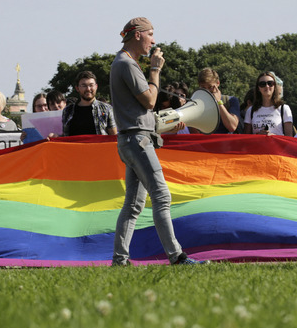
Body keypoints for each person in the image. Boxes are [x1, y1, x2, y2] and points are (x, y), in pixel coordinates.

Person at [110, 16, 203, 266]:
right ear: (138, 34)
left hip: (131, 140)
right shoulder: (128, 65)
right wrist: (155, 70)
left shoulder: (122, 63)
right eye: (151, 34)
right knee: (161, 197)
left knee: (133, 205)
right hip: (138, 141)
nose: (153, 40)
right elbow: (150, 100)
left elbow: (140, 109)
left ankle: (120, 260)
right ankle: (177, 257)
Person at [61, 71, 118, 136]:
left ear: (96, 86)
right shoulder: (68, 111)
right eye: (84, 85)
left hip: (99, 146)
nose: (88, 89)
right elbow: (65, 136)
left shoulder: (106, 109)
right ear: (77, 88)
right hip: (74, 146)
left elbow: (113, 137)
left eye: (91, 85)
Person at [193, 68, 241, 134]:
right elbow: (194, 132)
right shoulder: (196, 103)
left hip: (225, 143)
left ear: (218, 83)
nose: (207, 91)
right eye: (203, 88)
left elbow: (232, 126)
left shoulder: (231, 100)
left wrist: (219, 102)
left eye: (210, 87)